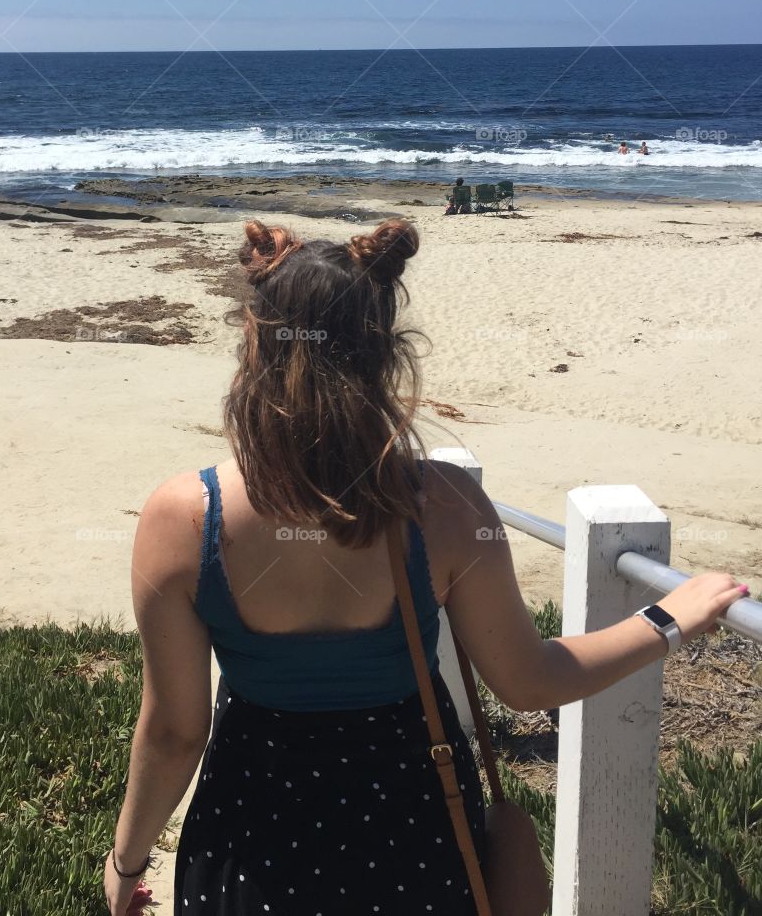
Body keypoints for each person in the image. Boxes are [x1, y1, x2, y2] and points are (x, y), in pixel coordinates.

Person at [103, 219, 749, 916]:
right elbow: (530, 681)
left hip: (251, 837)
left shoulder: (182, 517)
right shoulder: (442, 508)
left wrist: (125, 861)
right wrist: (668, 619)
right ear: (385, 355)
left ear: (254, 345)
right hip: (411, 835)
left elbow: (175, 732)